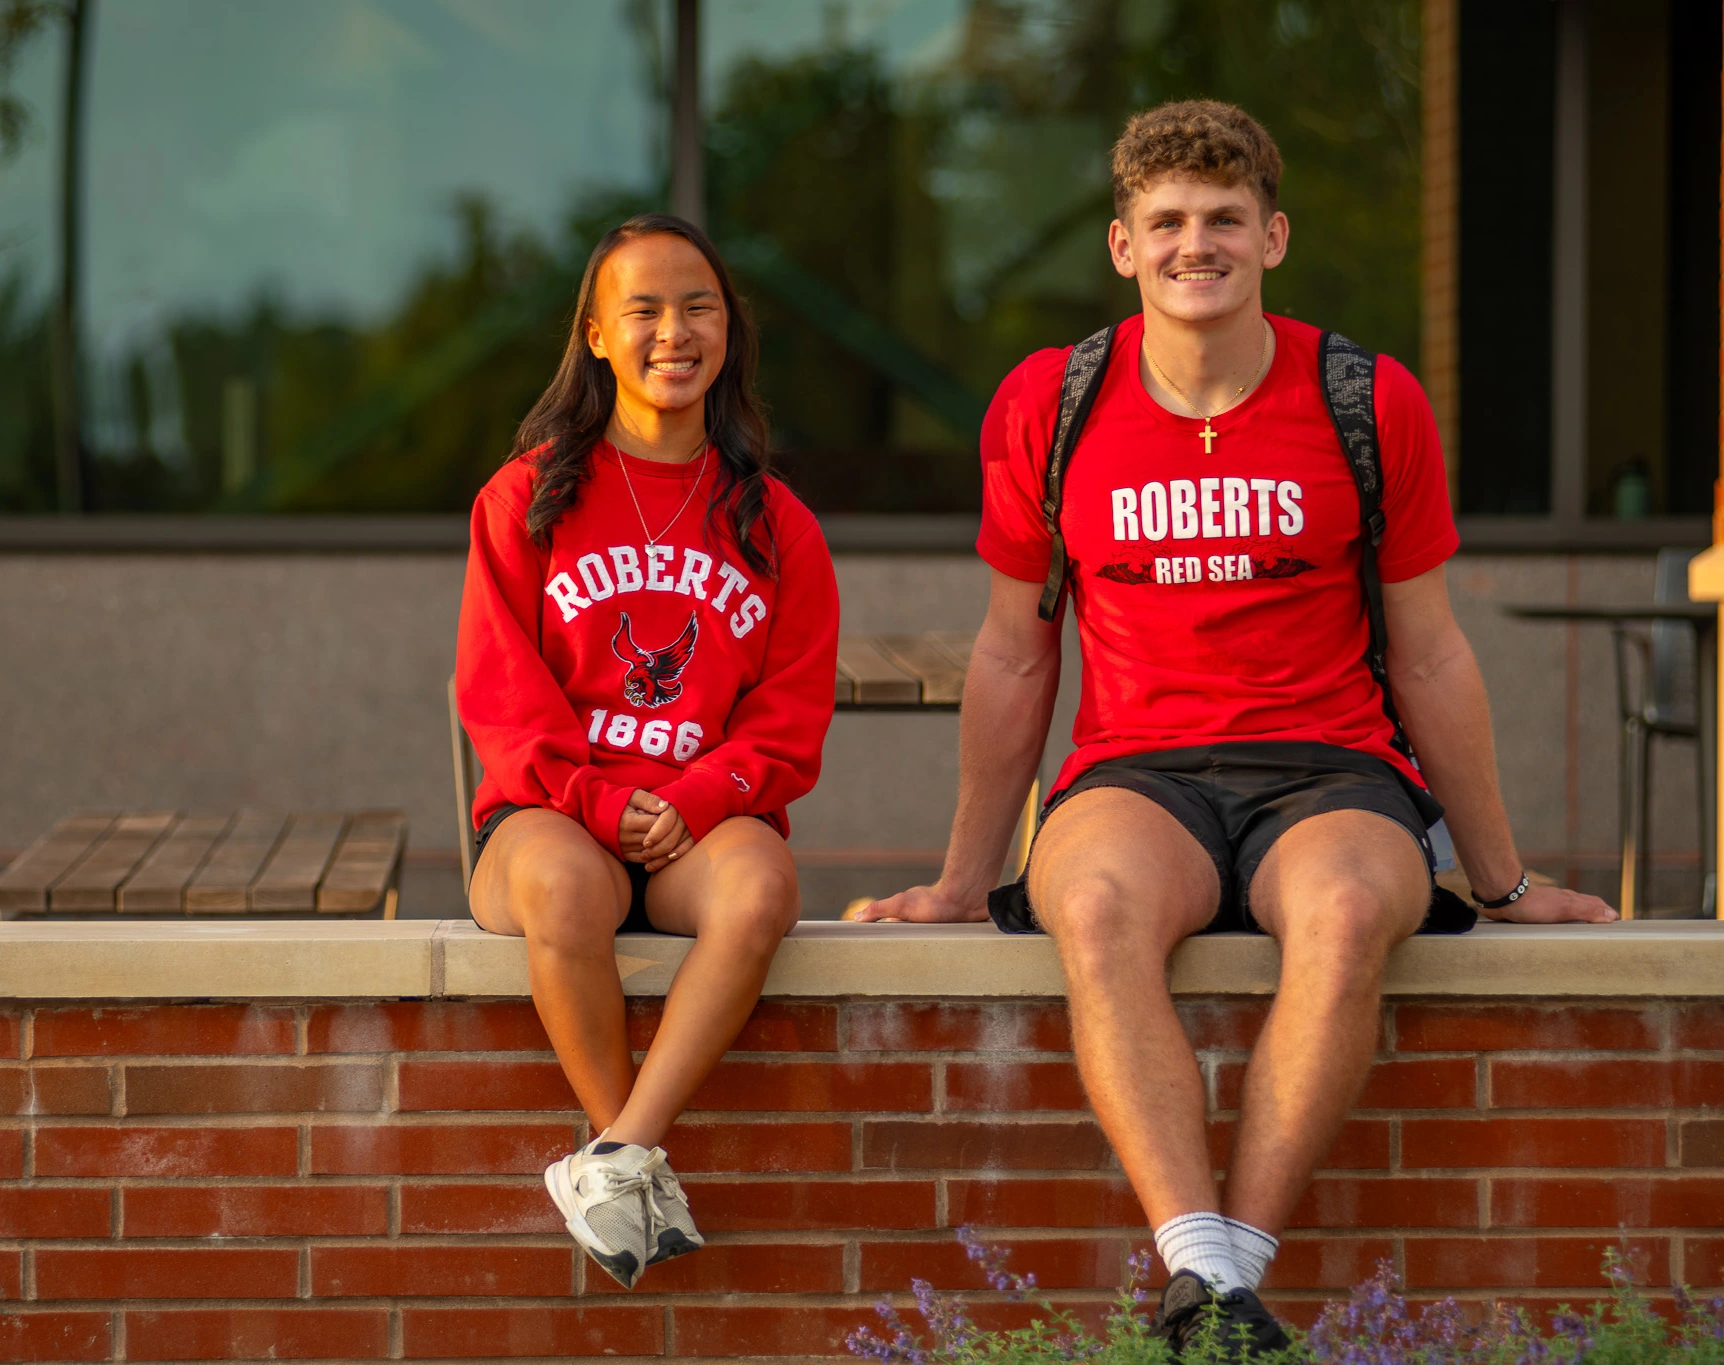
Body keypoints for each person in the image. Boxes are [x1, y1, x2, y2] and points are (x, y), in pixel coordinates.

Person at [852, 102, 1616, 1355]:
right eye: (1163, 222)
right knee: (1090, 906)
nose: (1191, 244)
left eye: (1221, 218)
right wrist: (959, 879)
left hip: (1331, 770)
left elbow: (1429, 652)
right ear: (1120, 245)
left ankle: (1221, 1274)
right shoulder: (1052, 401)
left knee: (1349, 912)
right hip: (1134, 773)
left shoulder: (1364, 398)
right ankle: (1205, 1269)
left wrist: (1503, 881)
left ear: (1272, 236)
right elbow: (1012, 648)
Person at [455, 213, 839, 1289]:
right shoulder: (525, 499)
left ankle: (618, 1152)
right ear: (595, 335)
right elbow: (499, 693)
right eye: (645, 309)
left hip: (696, 825)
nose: (675, 331)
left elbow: (789, 714)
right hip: (546, 818)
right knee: (567, 888)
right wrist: (587, 798)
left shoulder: (776, 523)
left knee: (761, 888)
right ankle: (623, 1158)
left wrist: (704, 795)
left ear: (730, 330)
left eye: (699, 306)